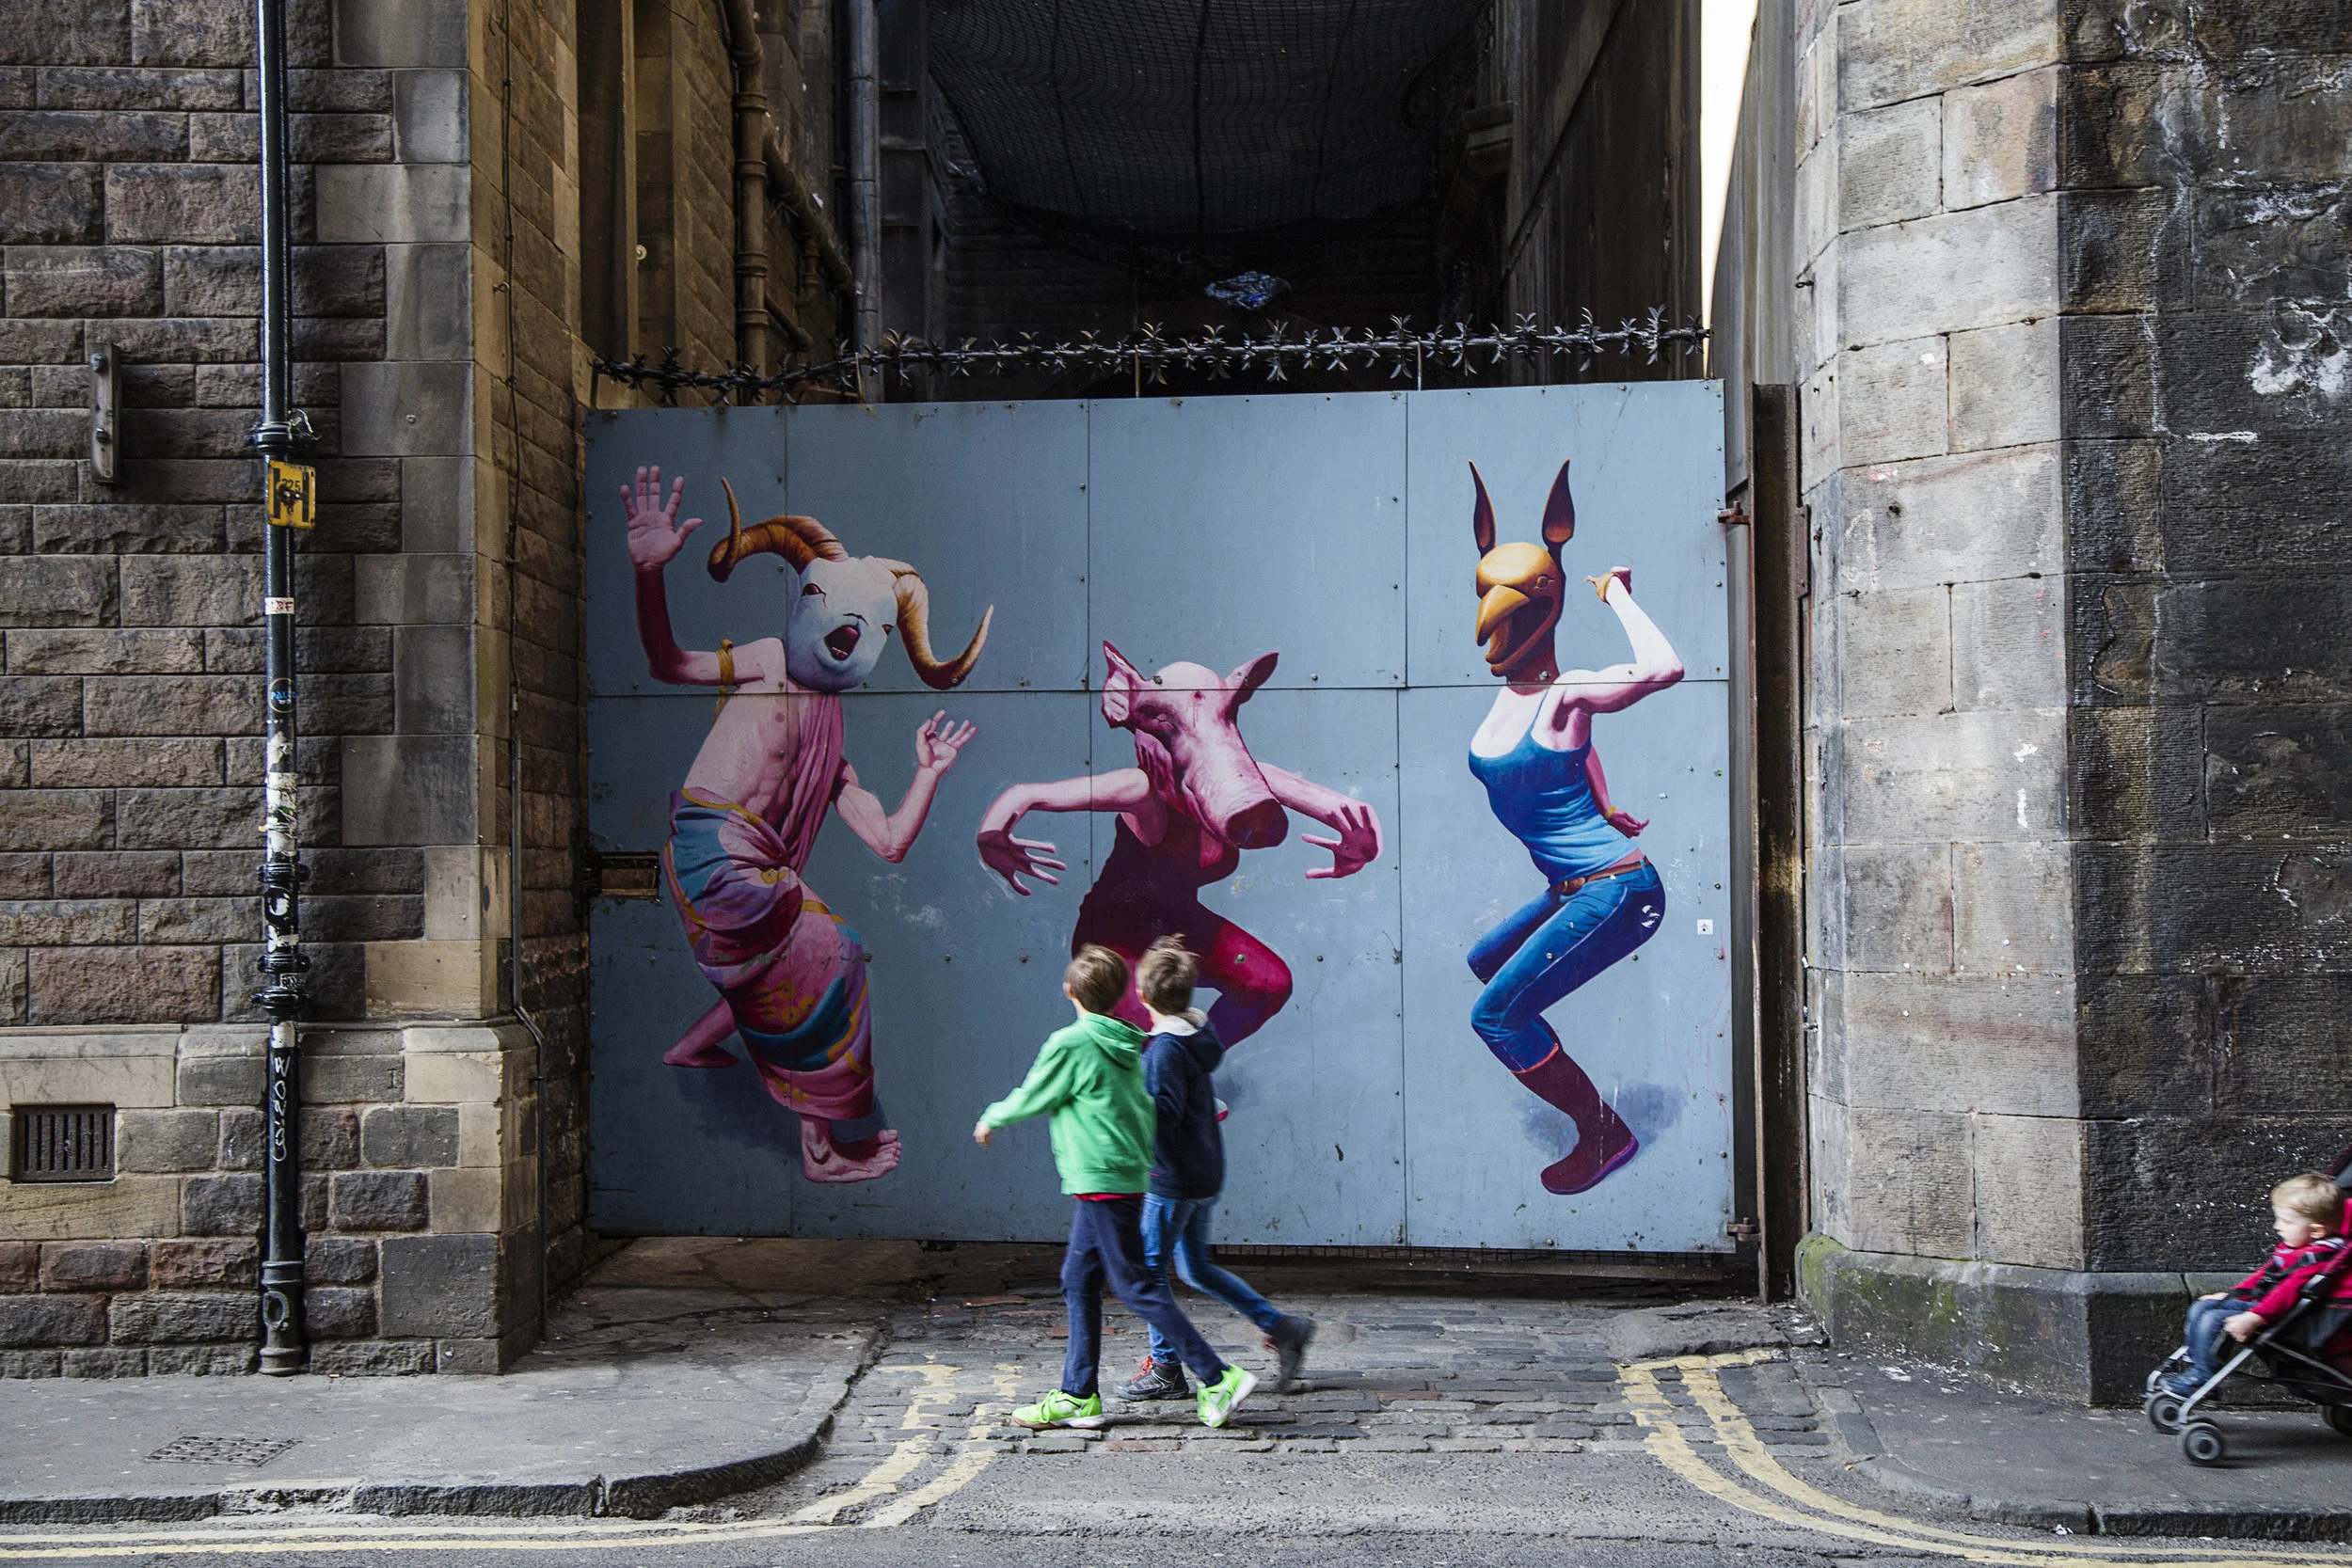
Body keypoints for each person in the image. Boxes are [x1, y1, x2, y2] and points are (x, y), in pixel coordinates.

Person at [974, 944, 1258, 1431]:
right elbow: (1143, 1108)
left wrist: (991, 1118)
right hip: (1116, 1176)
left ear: (1070, 991)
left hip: (1099, 1178)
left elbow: (1035, 1093)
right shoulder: (1129, 1042)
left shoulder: (1073, 1043)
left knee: (1135, 1286)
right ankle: (1078, 1394)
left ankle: (1218, 1376)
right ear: (1122, 995)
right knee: (1078, 1279)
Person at [1116, 938, 1316, 1402]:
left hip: (1172, 1180)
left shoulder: (1164, 1050)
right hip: (1202, 1172)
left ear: (1142, 996)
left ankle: (1165, 1367)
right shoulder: (1195, 1038)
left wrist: (1124, 1106)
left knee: (1148, 1273)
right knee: (1196, 1269)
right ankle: (1284, 1327)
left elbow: (1162, 1115)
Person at [2162, 1173, 2346, 1395]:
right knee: (2200, 1307)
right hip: (2264, 1306)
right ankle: (2197, 1365)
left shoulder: (2317, 1260)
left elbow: (2286, 1293)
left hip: (2280, 1317)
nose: (2277, 1227)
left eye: (2286, 1222)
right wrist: (2234, 1295)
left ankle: (2203, 1376)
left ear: (2316, 1230)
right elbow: (2263, 1276)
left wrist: (2255, 1316)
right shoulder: (2296, 1249)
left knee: (2214, 1318)